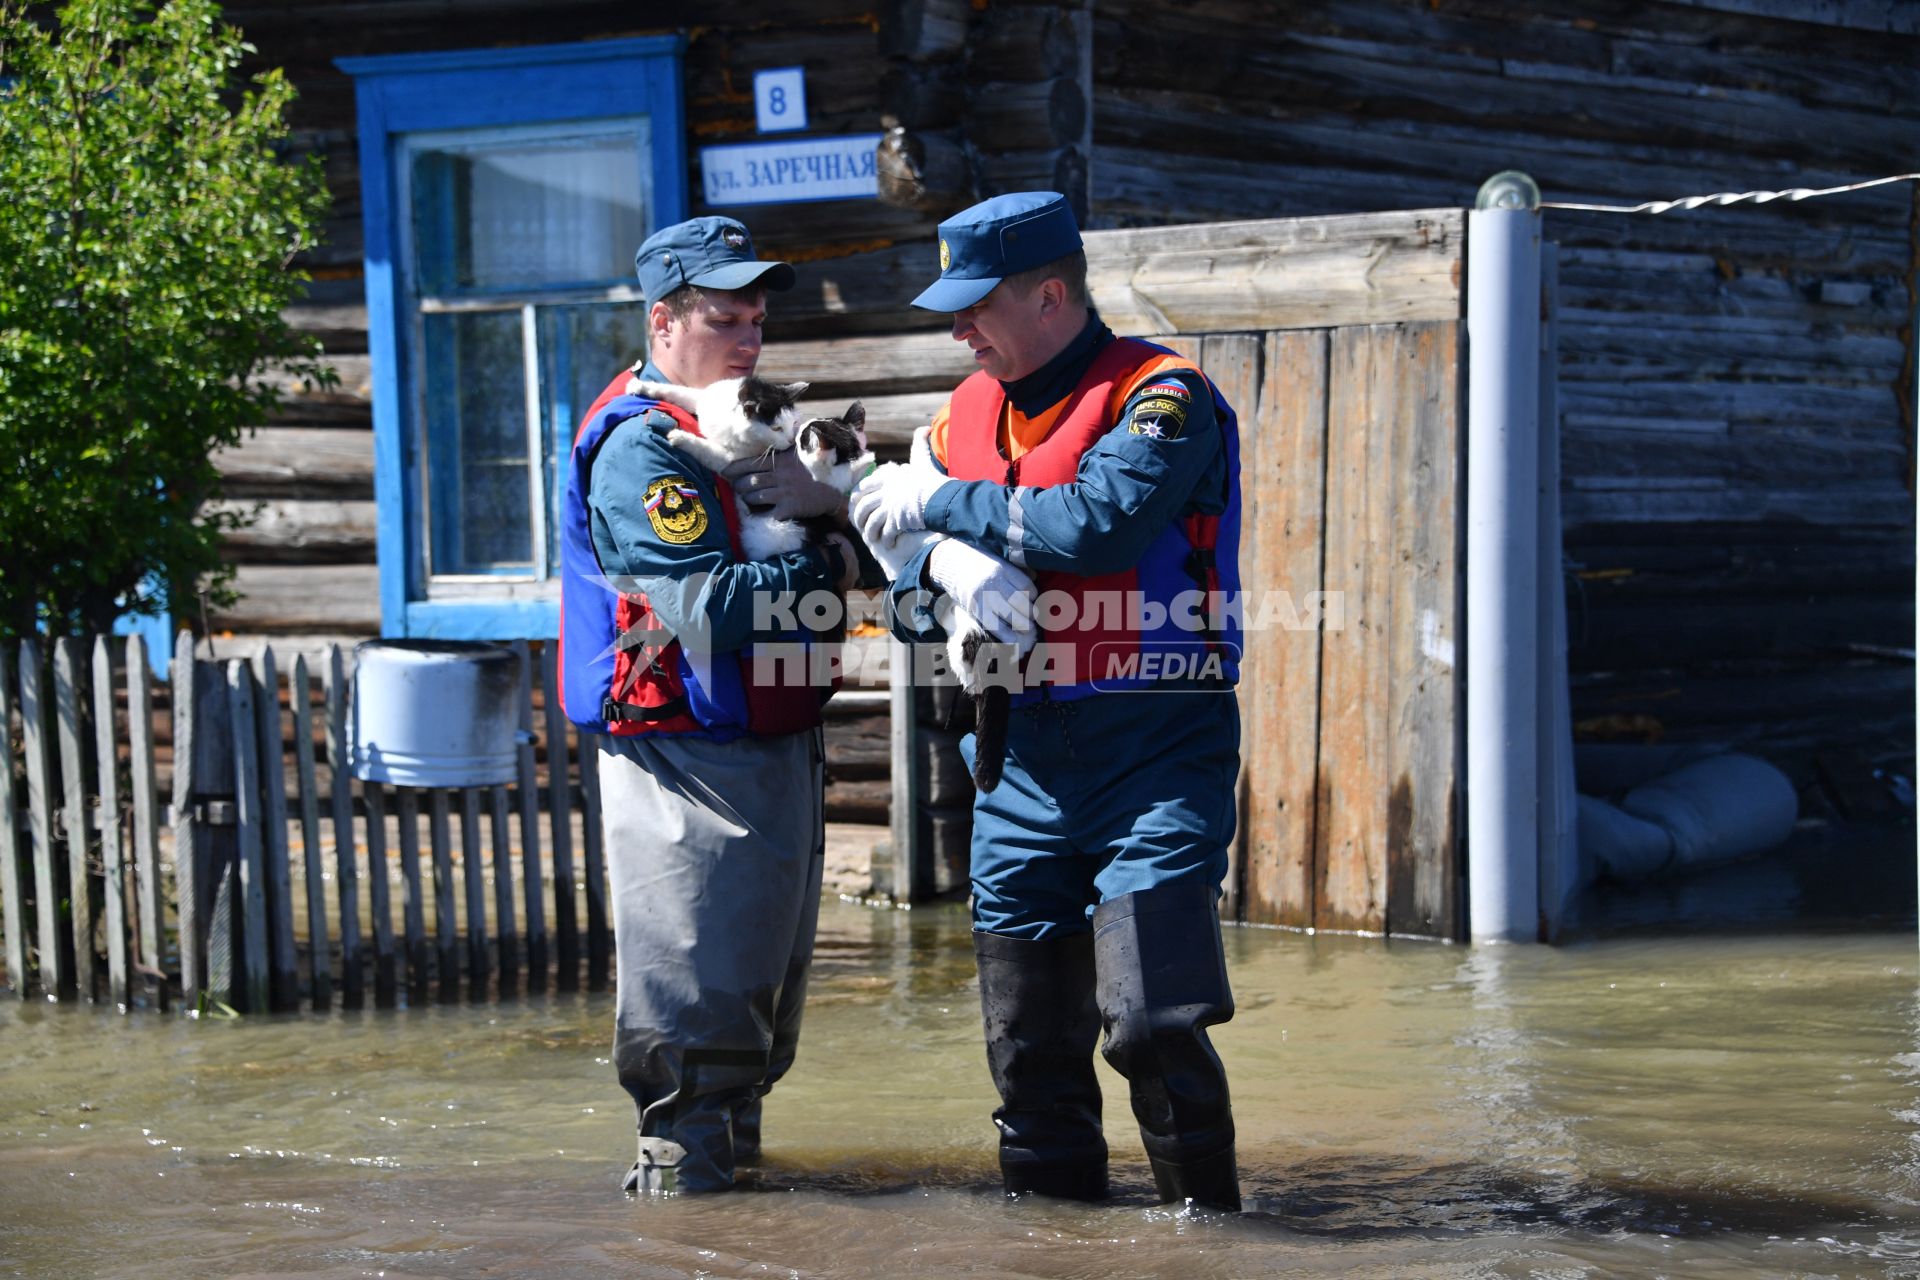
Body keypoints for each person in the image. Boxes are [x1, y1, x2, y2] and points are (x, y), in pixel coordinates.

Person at [852, 191, 1247, 1212]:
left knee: (1154, 1017)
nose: (958, 329)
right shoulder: (958, 418)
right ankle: (1049, 1247)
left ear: (1051, 293)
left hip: (1155, 746)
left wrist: (933, 504)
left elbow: (1093, 530)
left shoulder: (1163, 397)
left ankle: (1214, 1244)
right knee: (1029, 1055)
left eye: (976, 305)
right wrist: (943, 581)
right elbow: (897, 598)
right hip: (1018, 759)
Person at [556, 215, 858, 1195]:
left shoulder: (736, 434)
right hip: (685, 763)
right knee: (694, 1036)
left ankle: (738, 1234)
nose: (749, 341)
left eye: (758, 321)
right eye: (727, 319)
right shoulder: (644, 451)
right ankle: (683, 1223)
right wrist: (826, 555)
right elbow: (703, 608)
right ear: (664, 324)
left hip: (767, 749)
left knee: (753, 1024)